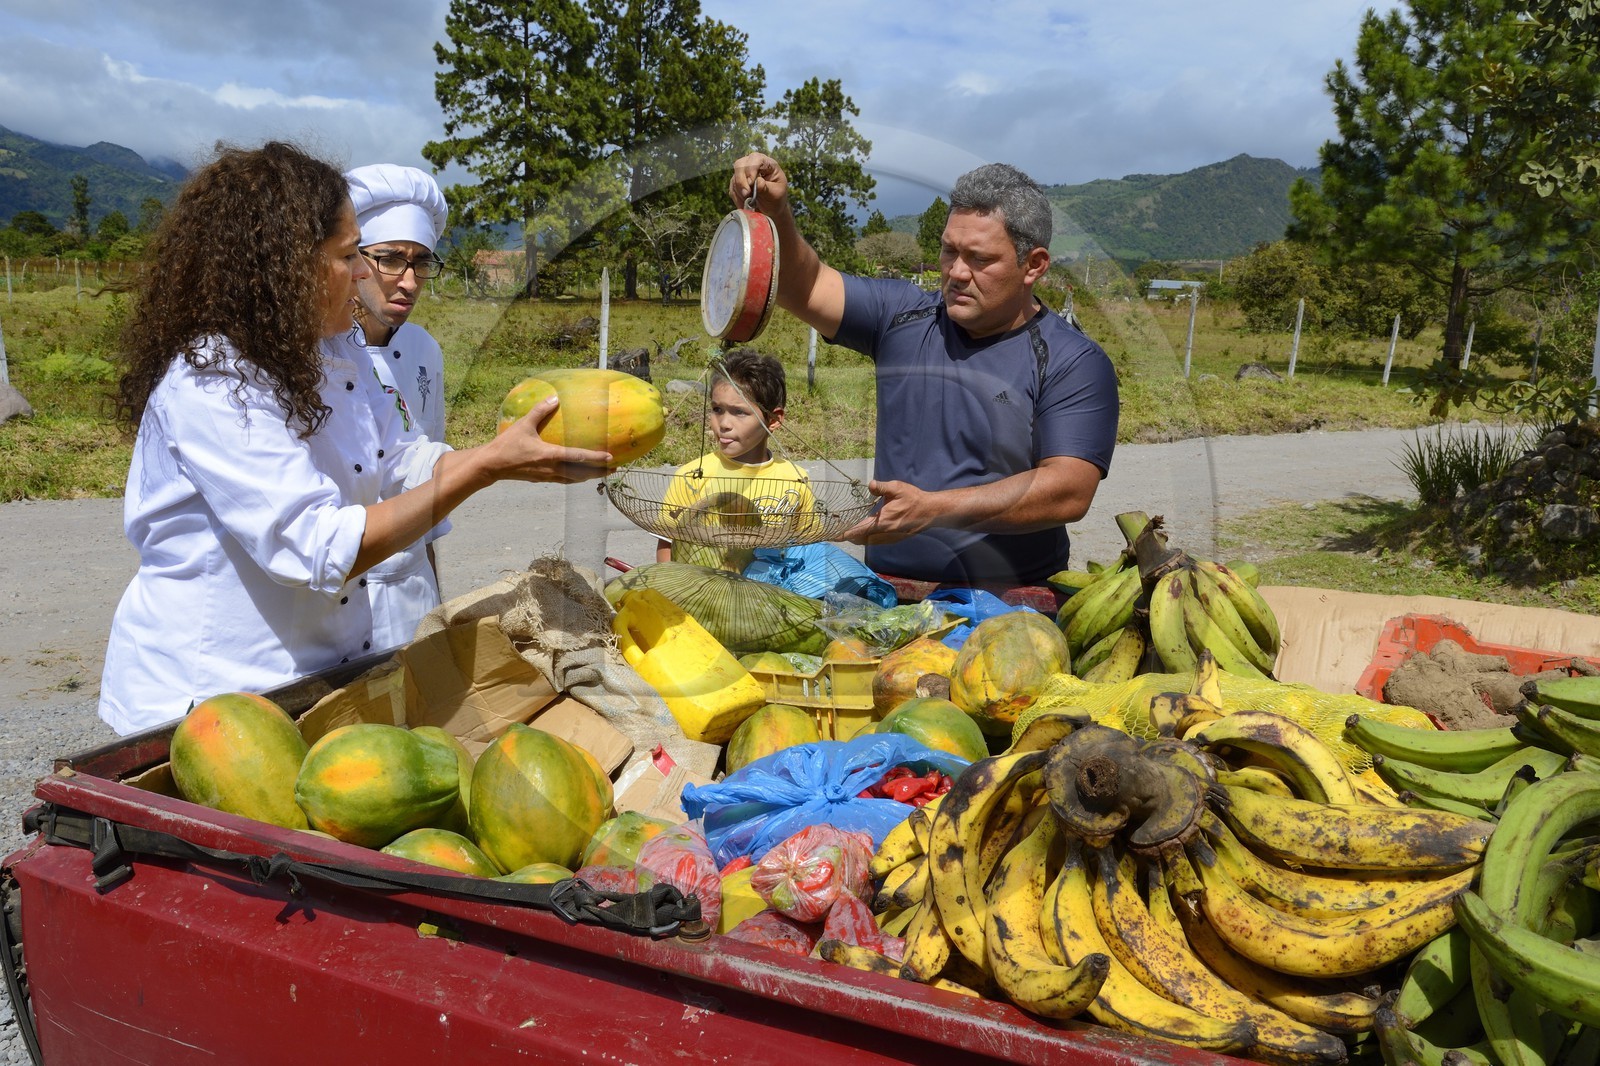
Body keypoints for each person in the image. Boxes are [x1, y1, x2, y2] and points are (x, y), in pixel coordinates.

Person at [98, 141, 611, 736]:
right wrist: (484, 470)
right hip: (213, 696)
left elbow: (399, 457)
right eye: (350, 255)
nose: (366, 274)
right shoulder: (216, 379)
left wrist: (503, 457)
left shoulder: (341, 353)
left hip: (312, 681)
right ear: (283, 266)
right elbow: (315, 546)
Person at [728, 154, 1119, 589]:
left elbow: (1068, 489)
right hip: (886, 594)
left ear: (1035, 265)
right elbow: (805, 285)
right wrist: (776, 212)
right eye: (949, 250)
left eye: (980, 259)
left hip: (1012, 605)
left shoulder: (1072, 361)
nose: (956, 272)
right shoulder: (900, 315)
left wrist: (933, 508)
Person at [342, 163, 450, 650]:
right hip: (342, 591)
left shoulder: (425, 351)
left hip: (411, 595)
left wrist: (437, 601)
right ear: (353, 258)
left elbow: (424, 475)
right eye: (390, 259)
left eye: (421, 262)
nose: (407, 281)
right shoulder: (322, 352)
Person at [653, 349, 818, 569]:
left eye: (739, 412)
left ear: (773, 420)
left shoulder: (795, 480)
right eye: (717, 409)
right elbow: (667, 545)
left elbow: (810, 548)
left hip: (769, 597)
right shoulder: (692, 476)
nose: (724, 424)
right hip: (703, 594)